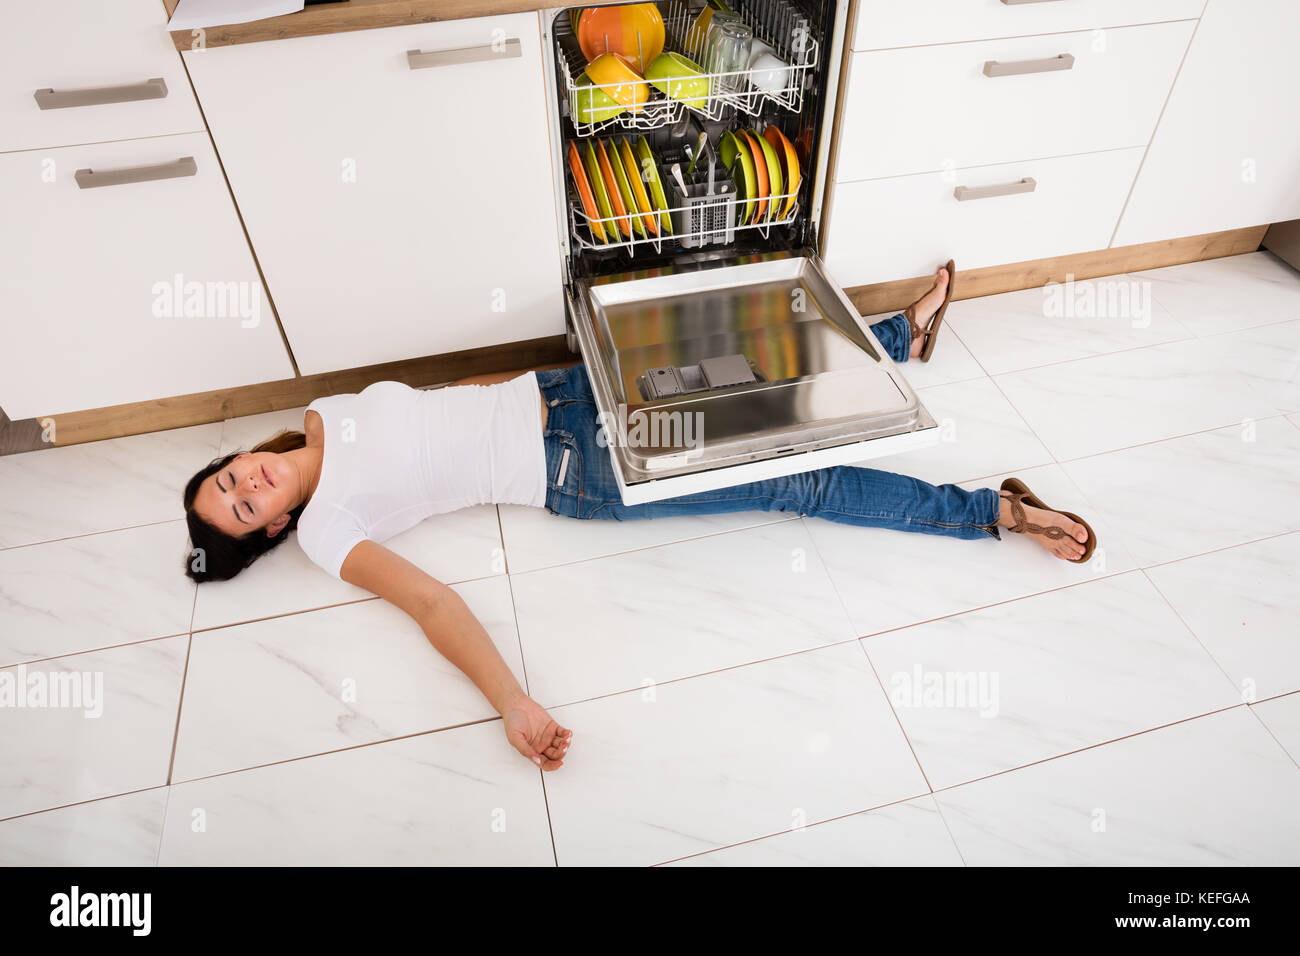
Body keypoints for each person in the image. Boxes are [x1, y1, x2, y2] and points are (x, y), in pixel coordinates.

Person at [182, 262, 1095, 772]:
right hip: (577, 466)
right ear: (268, 530)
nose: (247, 484)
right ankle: (994, 514)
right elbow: (431, 605)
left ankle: (896, 339)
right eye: (243, 507)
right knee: (789, 478)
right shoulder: (326, 531)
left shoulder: (319, 415)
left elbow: (433, 399)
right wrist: (513, 702)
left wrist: (519, 386)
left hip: (562, 390)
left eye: (228, 479)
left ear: (231, 457)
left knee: (748, 362)